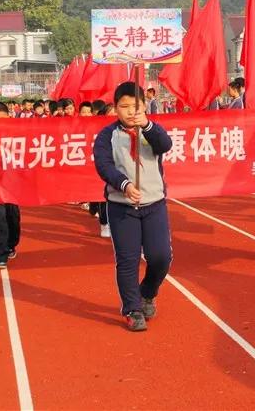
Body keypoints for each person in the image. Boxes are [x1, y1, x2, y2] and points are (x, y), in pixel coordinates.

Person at [94, 82, 173, 331]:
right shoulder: (107, 136)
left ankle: (147, 292)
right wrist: (125, 185)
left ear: (144, 106)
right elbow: (104, 166)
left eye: (135, 106)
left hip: (154, 204)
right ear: (115, 108)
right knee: (127, 260)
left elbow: (165, 145)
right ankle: (132, 309)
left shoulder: (151, 130)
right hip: (122, 207)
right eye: (124, 106)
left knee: (161, 257)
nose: (130, 111)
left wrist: (147, 125)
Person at [0, 102, 23, 268]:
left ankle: (11, 244)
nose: (1, 122)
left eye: (4, 118)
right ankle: (1, 253)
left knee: (13, 217)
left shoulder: (17, 133)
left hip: (13, 183)